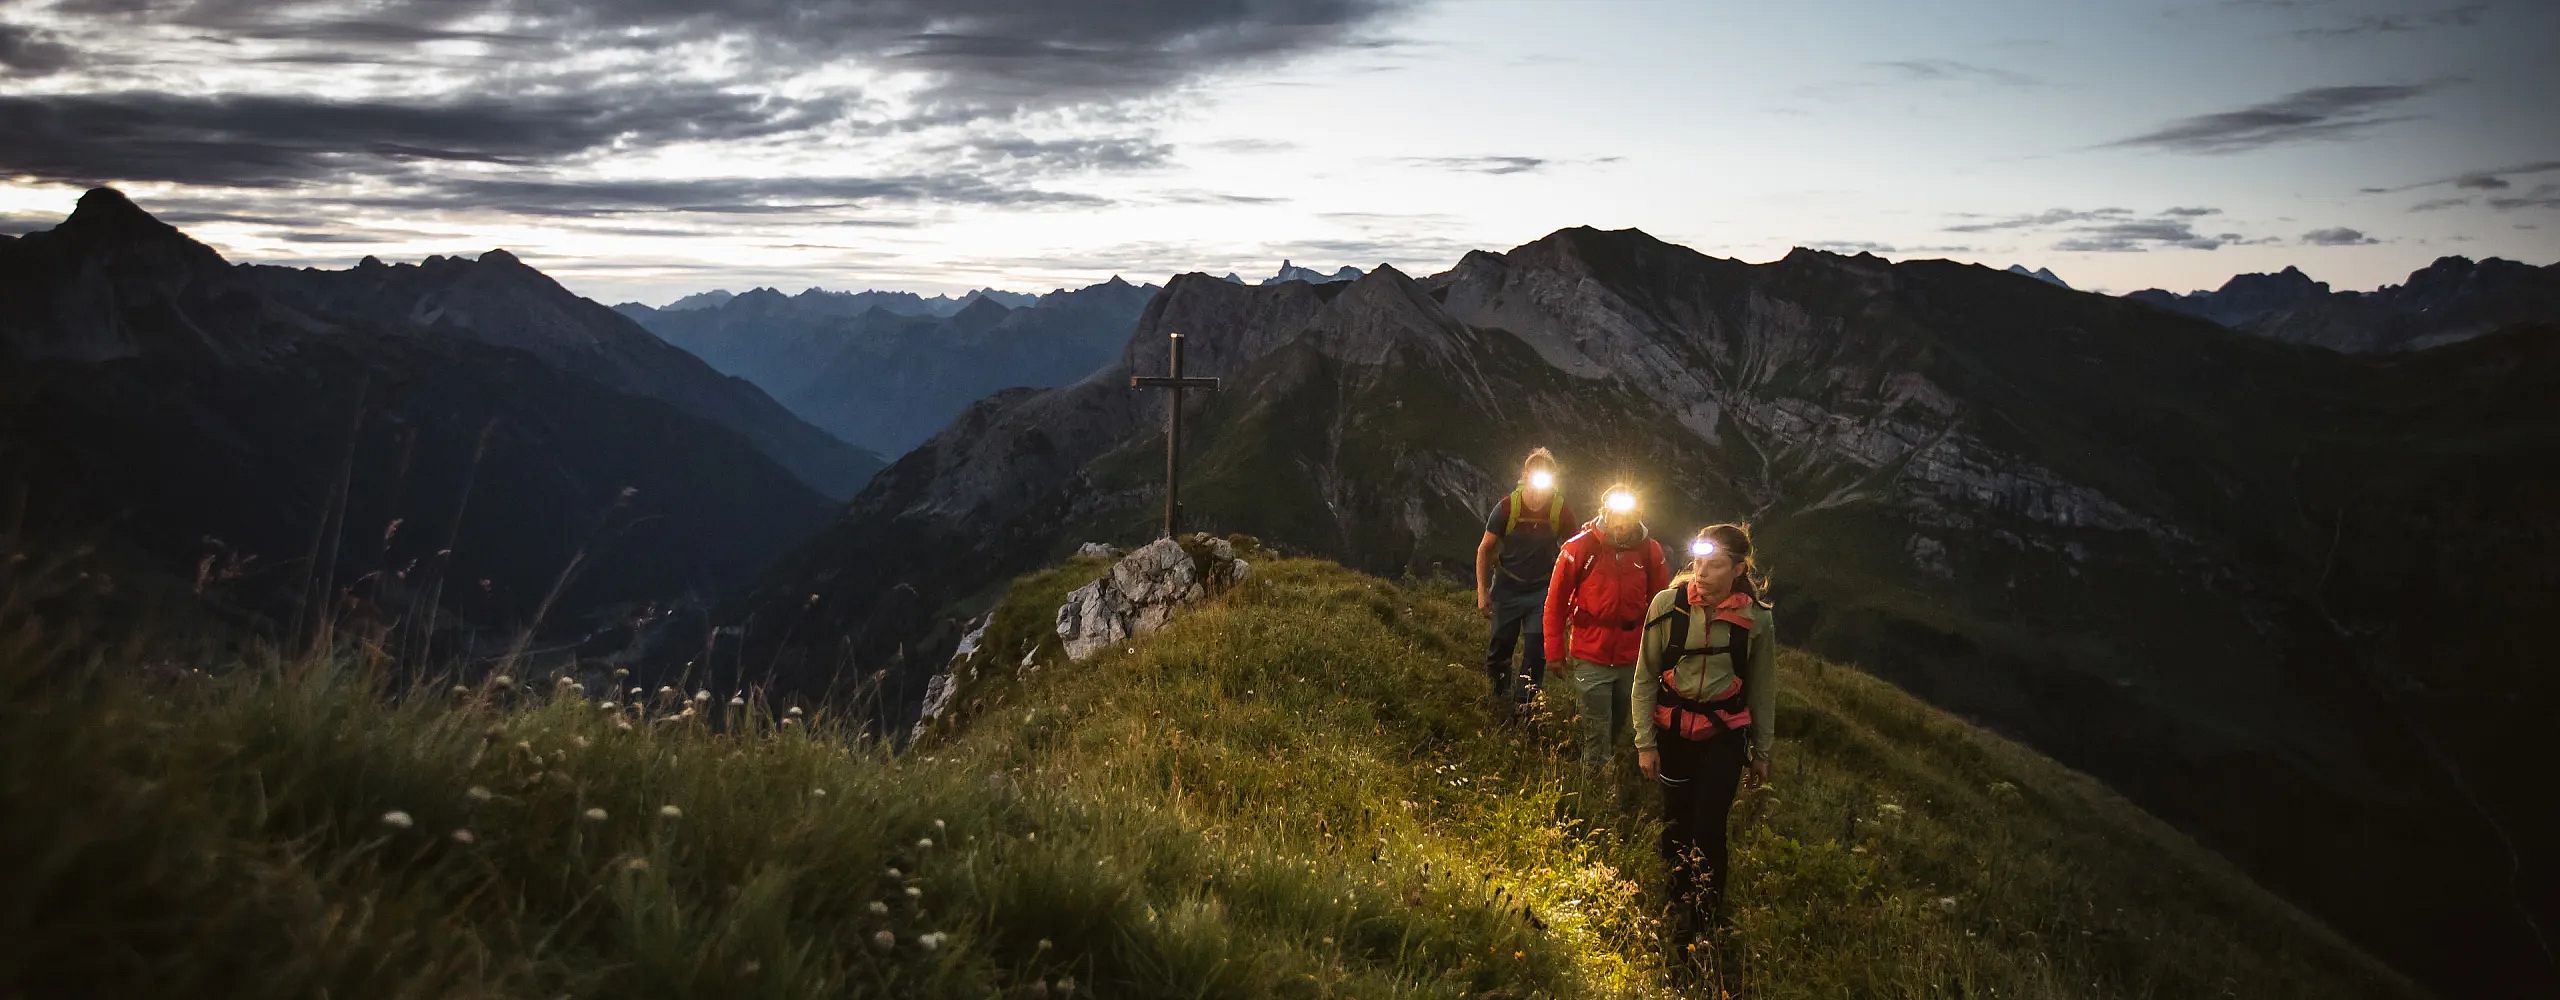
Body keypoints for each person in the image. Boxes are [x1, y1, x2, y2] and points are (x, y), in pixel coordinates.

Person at [1633, 522, 1776, 949]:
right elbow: (1645, 676)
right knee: (1675, 821)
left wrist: (1761, 752)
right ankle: (1673, 902)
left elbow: (1764, 689)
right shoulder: (1667, 606)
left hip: (1724, 736)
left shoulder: (1757, 621)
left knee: (1709, 825)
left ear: (1738, 569)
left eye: (1715, 566)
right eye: (1698, 563)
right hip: (1672, 732)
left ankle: (1705, 916)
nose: (1702, 573)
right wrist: (1644, 742)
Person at [1543, 484, 1669, 773]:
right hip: (1591, 653)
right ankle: (1595, 786)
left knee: (1619, 721)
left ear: (1638, 515)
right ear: (1605, 512)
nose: (1621, 524)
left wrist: (1662, 654)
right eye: (1616, 515)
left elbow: (1662, 605)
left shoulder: (1650, 552)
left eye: (1628, 517)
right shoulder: (1579, 548)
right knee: (1597, 727)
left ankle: (1603, 770)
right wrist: (1554, 652)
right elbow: (1556, 602)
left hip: (1633, 656)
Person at [1476, 449, 1574, 713]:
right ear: (1525, 476)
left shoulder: (1559, 510)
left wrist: (1570, 602)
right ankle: (1498, 697)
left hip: (1541, 591)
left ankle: (1526, 706)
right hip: (1507, 588)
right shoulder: (1508, 507)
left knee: (1535, 648)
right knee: (1500, 647)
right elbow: (1484, 549)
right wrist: (1483, 592)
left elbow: (1574, 555)